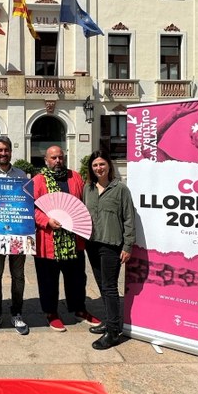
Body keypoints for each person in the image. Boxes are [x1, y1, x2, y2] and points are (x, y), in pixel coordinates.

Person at [33, 145, 100, 332]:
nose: (57, 161)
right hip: (48, 241)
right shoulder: (38, 181)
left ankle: (79, 309)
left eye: (60, 157)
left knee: (77, 279)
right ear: (46, 160)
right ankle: (51, 313)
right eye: (53, 158)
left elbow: (83, 203)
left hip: (74, 240)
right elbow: (32, 209)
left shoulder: (75, 177)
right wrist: (46, 220)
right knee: (48, 280)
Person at [83, 150, 136, 350]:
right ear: (91, 168)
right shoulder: (87, 189)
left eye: (102, 164)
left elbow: (129, 218)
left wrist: (128, 245)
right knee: (102, 285)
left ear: (109, 166)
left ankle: (113, 332)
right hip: (92, 243)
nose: (99, 168)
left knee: (110, 287)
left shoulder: (120, 189)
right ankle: (109, 321)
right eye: (95, 165)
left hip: (111, 244)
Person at [0, 136, 29, 336]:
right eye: (0, 150)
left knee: (18, 276)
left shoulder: (22, 176)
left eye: (6, 150)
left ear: (11, 152)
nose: (3, 153)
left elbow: (27, 204)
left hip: (18, 233)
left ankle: (17, 313)